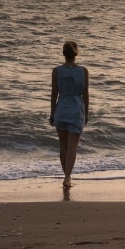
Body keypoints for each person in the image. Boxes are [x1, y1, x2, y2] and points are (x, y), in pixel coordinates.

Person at [50, 40, 89, 189]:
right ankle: (67, 177)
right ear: (76, 53)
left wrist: (52, 113)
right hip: (76, 109)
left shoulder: (56, 71)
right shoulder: (83, 71)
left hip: (62, 109)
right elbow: (85, 94)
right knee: (73, 147)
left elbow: (54, 94)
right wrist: (86, 113)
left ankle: (67, 176)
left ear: (63, 54)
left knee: (63, 145)